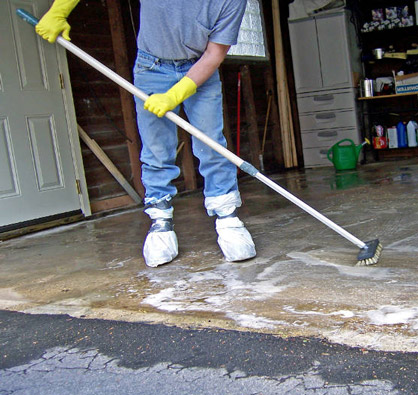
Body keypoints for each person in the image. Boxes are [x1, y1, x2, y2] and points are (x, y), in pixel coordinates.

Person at [35, 0, 256, 267]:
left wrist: (175, 94)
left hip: (201, 67)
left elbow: (214, 54)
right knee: (156, 148)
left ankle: (228, 218)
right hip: (152, 66)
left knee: (211, 144)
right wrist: (60, 10)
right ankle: (161, 221)